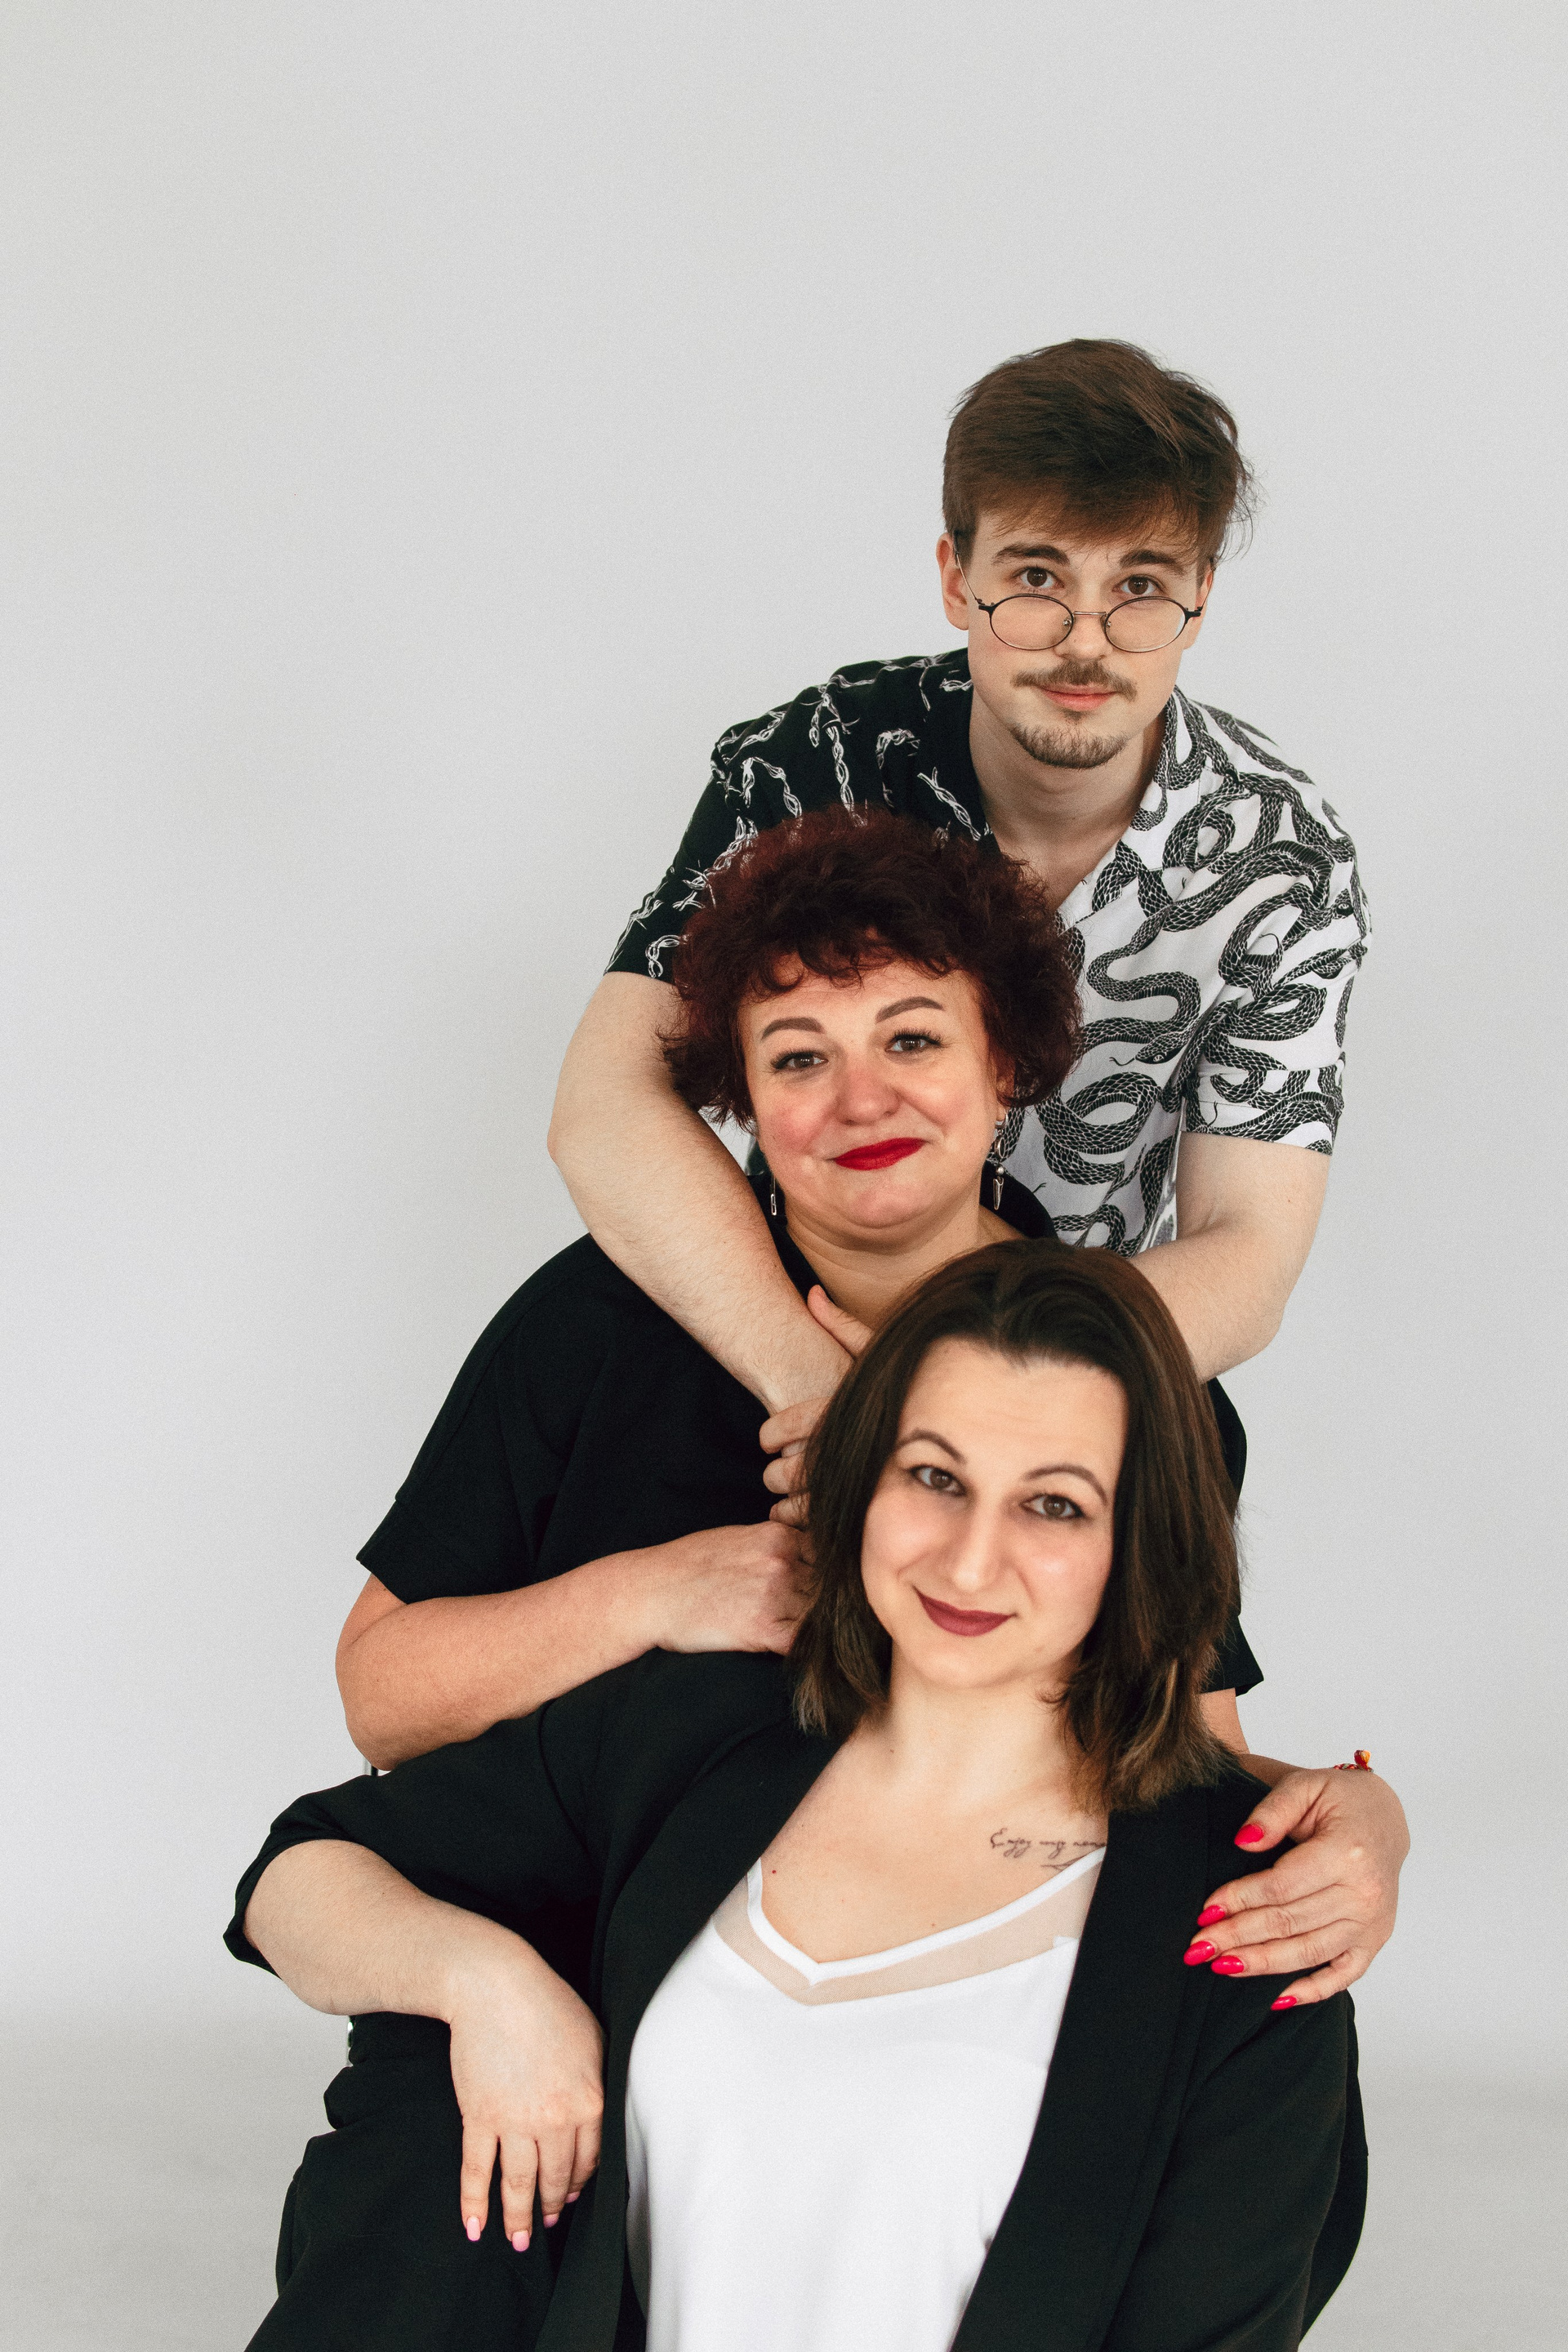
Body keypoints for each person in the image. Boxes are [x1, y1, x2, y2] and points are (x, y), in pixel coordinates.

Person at [232, 1241, 1366, 2352]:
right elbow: (297, 1877)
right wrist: (487, 1985)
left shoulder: (1255, 1929)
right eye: (935, 1478)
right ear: (862, 1479)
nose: (970, 1561)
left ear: (1145, 1539)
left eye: (1055, 1506)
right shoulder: (696, 1736)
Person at [547, 337, 1370, 1428]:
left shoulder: (1286, 857)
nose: (1085, 644)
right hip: (784, 1344)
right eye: (1036, 580)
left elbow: (1249, 1252)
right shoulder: (819, 762)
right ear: (956, 579)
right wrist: (816, 1385)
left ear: (1202, 596)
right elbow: (606, 1103)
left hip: (1067, 1379)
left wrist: (958, 1404)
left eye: (1140, 587)